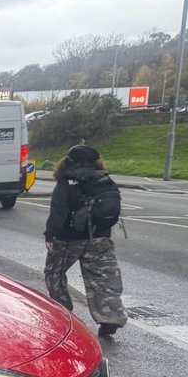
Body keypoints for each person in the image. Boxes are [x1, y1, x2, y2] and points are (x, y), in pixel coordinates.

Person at [43, 144, 128, 337]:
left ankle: (64, 314)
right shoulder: (105, 180)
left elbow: (59, 211)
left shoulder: (66, 182)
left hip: (69, 240)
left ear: (67, 161)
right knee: (104, 279)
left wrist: (51, 235)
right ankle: (110, 319)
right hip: (100, 238)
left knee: (54, 274)